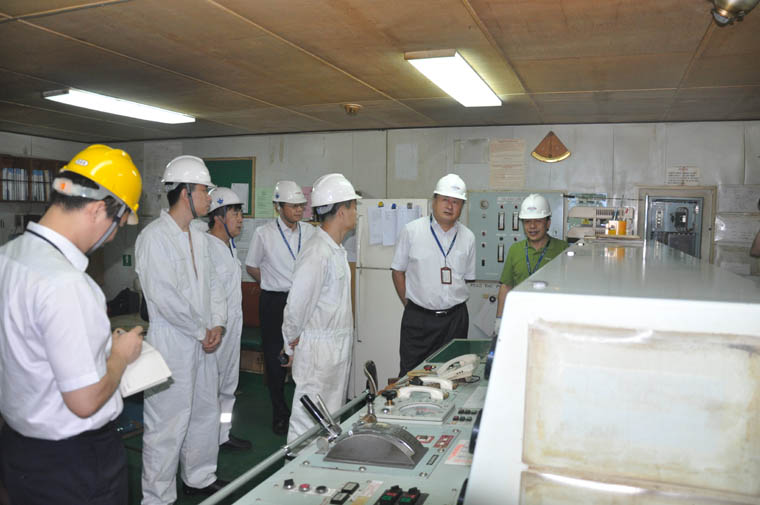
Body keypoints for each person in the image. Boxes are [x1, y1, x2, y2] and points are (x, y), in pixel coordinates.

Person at [0, 144, 144, 505]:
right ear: (97, 209)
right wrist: (121, 355)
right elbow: (84, 401)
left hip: (19, 449)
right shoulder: (67, 285)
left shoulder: (8, 258)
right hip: (75, 465)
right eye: (117, 223)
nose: (113, 236)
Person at [135, 155, 227, 504]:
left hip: (203, 339)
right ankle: (158, 497)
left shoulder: (200, 237)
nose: (209, 198)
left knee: (205, 412)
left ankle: (199, 477)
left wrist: (217, 323)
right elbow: (165, 297)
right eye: (204, 190)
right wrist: (201, 330)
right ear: (185, 192)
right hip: (171, 342)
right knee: (166, 422)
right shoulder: (154, 238)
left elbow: (214, 286)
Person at [281, 173, 360, 443]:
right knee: (307, 424)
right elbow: (297, 306)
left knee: (329, 422)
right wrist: (290, 344)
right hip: (318, 352)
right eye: (354, 206)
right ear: (341, 211)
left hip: (335, 348)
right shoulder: (317, 252)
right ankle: (294, 470)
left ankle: (319, 468)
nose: (356, 212)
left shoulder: (336, 250)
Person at [245, 181, 316, 436]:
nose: (298, 210)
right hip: (274, 302)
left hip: (304, 300)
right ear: (278, 207)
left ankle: (305, 410)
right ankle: (280, 413)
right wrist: (271, 282)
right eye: (293, 206)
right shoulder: (263, 234)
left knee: (306, 354)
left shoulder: (310, 232)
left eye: (301, 206)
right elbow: (251, 266)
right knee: (276, 357)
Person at [391, 174, 476, 378]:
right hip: (418, 321)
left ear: (462, 206)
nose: (450, 206)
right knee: (412, 375)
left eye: (456, 202)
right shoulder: (412, 231)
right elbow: (398, 271)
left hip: (455, 320)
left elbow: (466, 278)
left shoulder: (468, 237)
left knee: (454, 375)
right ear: (434, 201)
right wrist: (412, 305)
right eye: (445, 199)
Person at [206, 187, 251, 450]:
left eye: (240, 213)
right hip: (215, 328)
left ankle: (223, 434)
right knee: (210, 387)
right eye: (235, 213)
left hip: (233, 327)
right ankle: (206, 437)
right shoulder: (206, 247)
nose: (240, 219)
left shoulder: (229, 247)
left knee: (228, 385)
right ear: (218, 216)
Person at [494, 193, 568, 335]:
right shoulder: (515, 249)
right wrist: (499, 319)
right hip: (520, 318)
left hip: (550, 321)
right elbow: (506, 287)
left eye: (538, 221)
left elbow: (569, 289)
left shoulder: (562, 249)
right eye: (527, 221)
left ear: (548, 223)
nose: (532, 226)